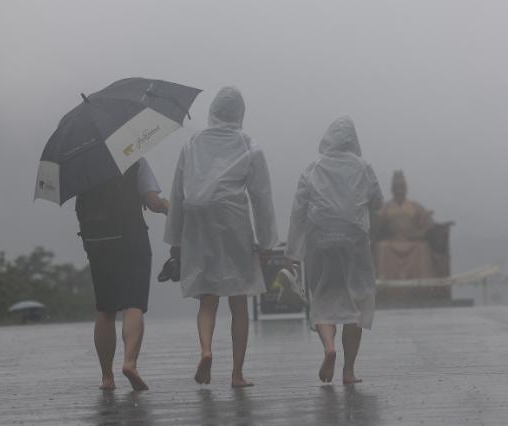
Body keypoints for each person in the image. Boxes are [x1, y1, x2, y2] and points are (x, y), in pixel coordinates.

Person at [163, 86, 278, 388]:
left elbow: (178, 191)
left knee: (207, 296)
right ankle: (237, 374)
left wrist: (176, 237)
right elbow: (261, 196)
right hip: (232, 218)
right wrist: (267, 243)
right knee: (238, 299)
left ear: (213, 111)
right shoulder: (248, 144)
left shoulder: (192, 143)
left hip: (197, 219)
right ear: (240, 113)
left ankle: (205, 350)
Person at [285, 115, 383, 384]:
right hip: (354, 242)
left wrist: (292, 252)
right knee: (357, 300)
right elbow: (377, 201)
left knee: (323, 296)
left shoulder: (313, 168)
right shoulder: (363, 167)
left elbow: (298, 210)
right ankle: (349, 371)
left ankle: (329, 348)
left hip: (321, 240)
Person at [76, 157, 168, 391]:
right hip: (131, 237)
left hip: (97, 241)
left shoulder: (81, 163)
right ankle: (129, 362)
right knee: (133, 304)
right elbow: (153, 202)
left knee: (105, 309)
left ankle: (107, 378)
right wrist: (171, 209)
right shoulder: (133, 158)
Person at [372, 170, 436, 280]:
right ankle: (384, 281)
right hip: (392, 241)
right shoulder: (386, 206)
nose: (399, 189)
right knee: (382, 247)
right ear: (393, 188)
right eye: (396, 186)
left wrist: (420, 233)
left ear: (405, 188)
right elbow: (377, 224)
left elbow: (429, 222)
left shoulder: (414, 205)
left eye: (402, 186)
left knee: (422, 248)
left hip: (411, 241)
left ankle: (423, 283)